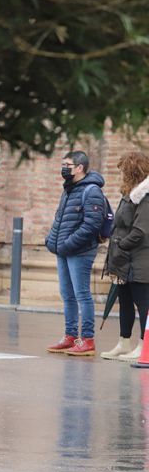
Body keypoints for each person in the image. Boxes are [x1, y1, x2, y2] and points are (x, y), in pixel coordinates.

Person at [45, 150, 107, 356]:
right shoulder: (69, 189)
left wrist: (68, 244)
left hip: (80, 252)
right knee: (67, 295)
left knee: (82, 295)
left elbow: (92, 225)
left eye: (67, 165)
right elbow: (60, 218)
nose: (64, 168)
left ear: (80, 168)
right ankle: (70, 336)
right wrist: (51, 240)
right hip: (63, 250)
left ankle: (87, 339)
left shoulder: (91, 191)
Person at [102, 152, 149, 361]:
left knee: (144, 305)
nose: (120, 175)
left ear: (132, 172)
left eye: (123, 171)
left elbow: (140, 232)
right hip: (124, 261)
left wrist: (120, 245)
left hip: (139, 261)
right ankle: (124, 342)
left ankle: (143, 345)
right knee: (125, 301)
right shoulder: (129, 194)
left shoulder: (145, 197)